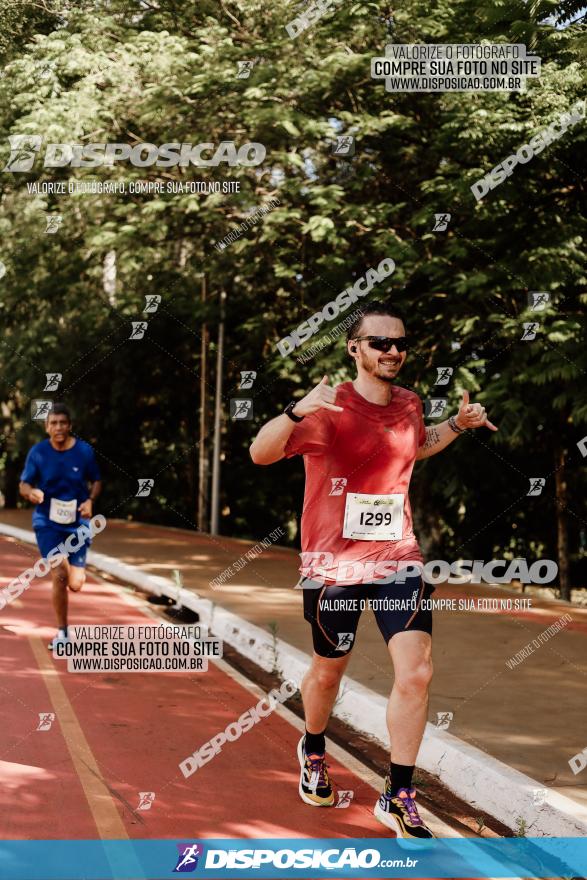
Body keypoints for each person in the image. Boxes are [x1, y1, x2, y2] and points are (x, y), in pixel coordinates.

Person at [249, 301, 497, 839]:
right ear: (354, 349)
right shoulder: (328, 407)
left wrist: (455, 423)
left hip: (397, 560)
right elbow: (260, 454)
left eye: (399, 343)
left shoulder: (408, 403)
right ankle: (313, 747)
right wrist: (295, 412)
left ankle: (399, 791)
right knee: (328, 671)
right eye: (380, 342)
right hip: (332, 565)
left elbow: (415, 447)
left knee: (417, 671)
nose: (392, 351)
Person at [19, 403, 102, 649]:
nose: (58, 427)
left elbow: (96, 480)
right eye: (53, 423)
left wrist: (90, 500)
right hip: (47, 522)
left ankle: (70, 572)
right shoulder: (38, 453)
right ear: (47, 427)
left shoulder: (84, 452)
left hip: (78, 524)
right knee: (59, 573)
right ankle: (63, 633)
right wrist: (31, 492)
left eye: (62, 423)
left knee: (75, 583)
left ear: (70, 426)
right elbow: (23, 485)